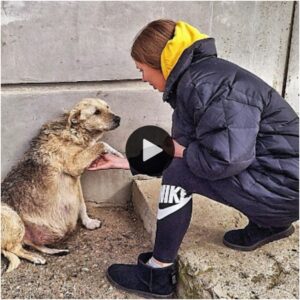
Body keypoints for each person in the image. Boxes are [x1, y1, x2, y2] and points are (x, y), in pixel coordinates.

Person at [88, 19, 299, 298]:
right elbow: (184, 144)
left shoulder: (203, 85)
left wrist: (180, 154)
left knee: (178, 173)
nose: (143, 78)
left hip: (285, 190)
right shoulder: (199, 79)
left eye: (142, 70)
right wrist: (128, 162)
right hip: (285, 184)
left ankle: (158, 273)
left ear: (160, 62)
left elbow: (225, 159)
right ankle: (271, 224)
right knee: (181, 162)